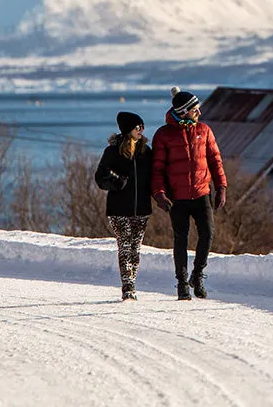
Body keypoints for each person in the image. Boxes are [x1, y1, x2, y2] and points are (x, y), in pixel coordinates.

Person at [151, 87, 227, 300]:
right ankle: (182, 283)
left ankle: (198, 275)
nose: (199, 113)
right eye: (195, 109)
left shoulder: (204, 130)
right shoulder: (164, 135)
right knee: (180, 240)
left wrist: (221, 188)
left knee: (208, 234)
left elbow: (215, 160)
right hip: (178, 199)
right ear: (184, 111)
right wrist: (159, 194)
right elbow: (157, 169)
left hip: (202, 194)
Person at [94, 111, 153, 301]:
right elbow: (100, 177)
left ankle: (132, 283)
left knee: (136, 247)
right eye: (138, 127)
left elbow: (155, 177)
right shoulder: (112, 151)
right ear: (128, 130)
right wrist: (117, 181)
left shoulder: (146, 152)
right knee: (125, 245)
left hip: (142, 208)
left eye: (142, 127)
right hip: (118, 209)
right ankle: (127, 286)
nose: (141, 130)